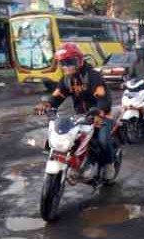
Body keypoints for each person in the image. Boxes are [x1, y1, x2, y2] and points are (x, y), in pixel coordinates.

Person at [34, 43, 116, 179]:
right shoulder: (66, 80)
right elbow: (57, 96)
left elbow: (104, 98)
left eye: (69, 62)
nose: (66, 66)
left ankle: (109, 165)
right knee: (70, 140)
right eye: (63, 63)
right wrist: (46, 104)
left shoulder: (93, 76)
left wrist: (100, 112)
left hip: (101, 115)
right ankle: (79, 163)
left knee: (102, 141)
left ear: (79, 60)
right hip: (81, 117)